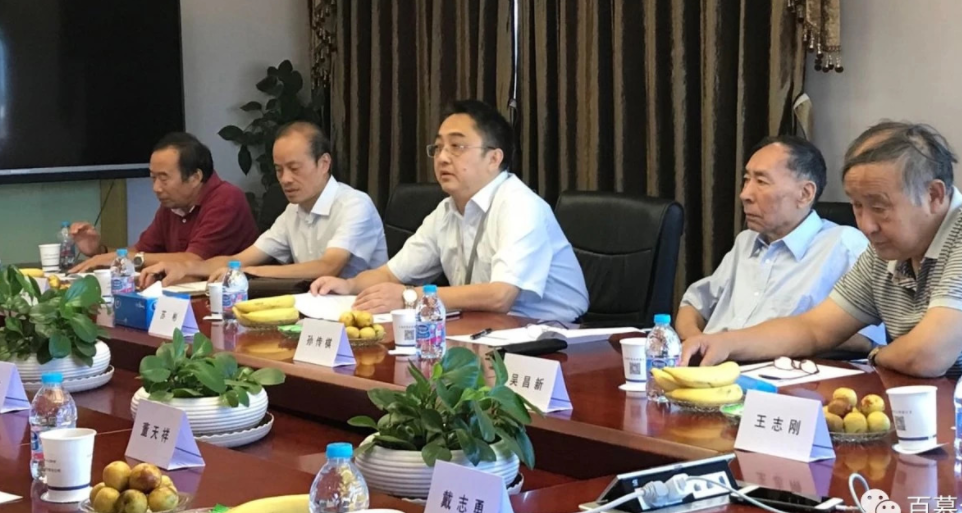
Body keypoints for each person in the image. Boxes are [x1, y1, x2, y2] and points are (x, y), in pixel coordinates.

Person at [681, 122, 962, 389]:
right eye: (857, 206)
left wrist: (875, 354)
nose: (866, 225)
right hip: (928, 412)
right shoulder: (886, 251)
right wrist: (724, 343)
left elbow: (926, 356)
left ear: (934, 195)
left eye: (879, 207)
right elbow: (813, 329)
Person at [310, 99, 589, 321]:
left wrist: (410, 297)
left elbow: (500, 296)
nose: (442, 157)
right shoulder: (446, 212)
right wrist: (348, 286)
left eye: (457, 146)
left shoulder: (520, 205)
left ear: (494, 158)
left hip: (556, 337)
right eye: (439, 147)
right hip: (481, 328)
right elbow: (391, 274)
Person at [676, 136, 884, 350]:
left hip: (779, 366)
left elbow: (866, 339)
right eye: (746, 180)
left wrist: (747, 345)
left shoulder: (844, 245)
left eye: (761, 182)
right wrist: (697, 343)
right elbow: (693, 305)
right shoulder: (746, 241)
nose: (745, 194)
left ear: (805, 194)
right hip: (712, 362)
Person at [141, 122, 388, 285]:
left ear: (324, 163)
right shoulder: (293, 212)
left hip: (362, 315)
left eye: (294, 168)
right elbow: (238, 260)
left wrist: (251, 273)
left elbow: (328, 267)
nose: (285, 179)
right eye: (279, 170)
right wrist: (184, 268)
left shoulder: (354, 204)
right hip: (313, 310)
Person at [70, 133, 257, 273]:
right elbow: (139, 252)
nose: (156, 188)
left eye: (164, 178)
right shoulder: (174, 204)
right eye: (153, 178)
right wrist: (99, 250)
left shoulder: (226, 199)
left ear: (195, 177)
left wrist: (130, 258)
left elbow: (193, 260)